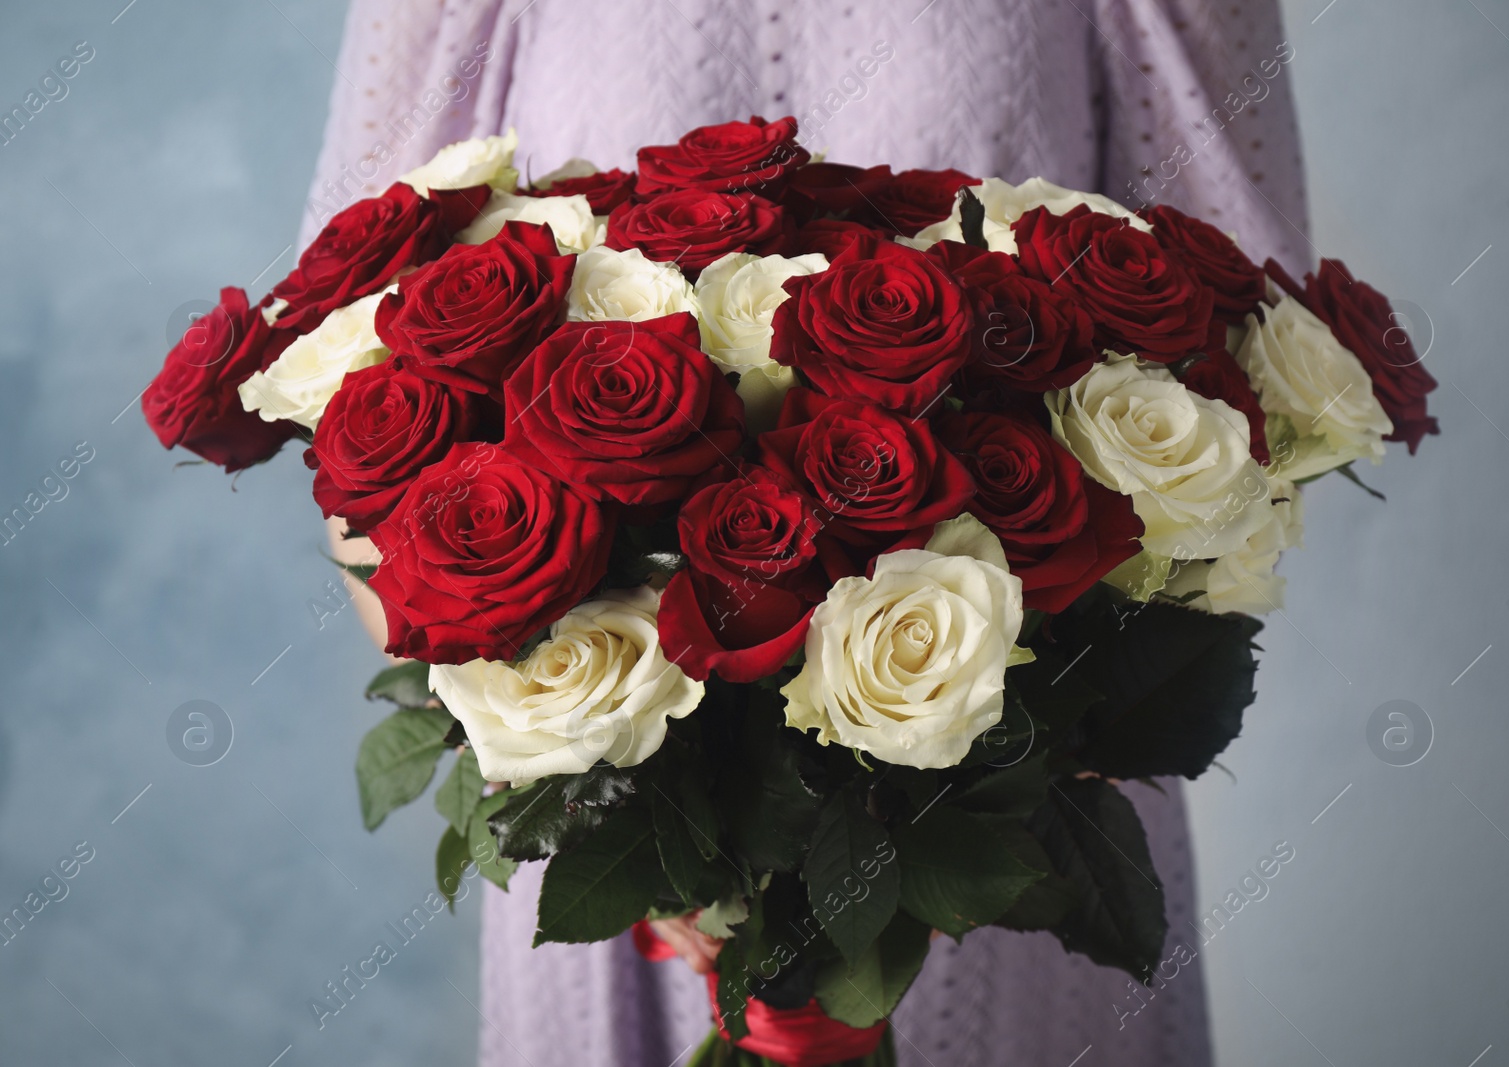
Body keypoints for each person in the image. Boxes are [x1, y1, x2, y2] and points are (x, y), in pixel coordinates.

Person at [307, 2, 1311, 1063]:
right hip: (609, 782)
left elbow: (1247, 336)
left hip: (1013, 784)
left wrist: (1029, 748)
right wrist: (601, 773)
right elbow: (339, 352)